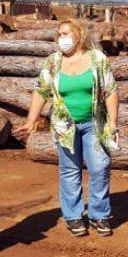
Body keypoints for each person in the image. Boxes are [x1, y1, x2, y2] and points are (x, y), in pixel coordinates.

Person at [13, 18, 119, 237]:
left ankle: (99, 214)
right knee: (70, 170)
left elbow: (110, 90)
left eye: (66, 34)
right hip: (64, 126)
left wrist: (113, 123)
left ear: (79, 35)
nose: (61, 38)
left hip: (95, 124)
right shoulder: (53, 62)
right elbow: (41, 90)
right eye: (59, 34)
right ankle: (73, 215)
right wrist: (31, 120)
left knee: (100, 167)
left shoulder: (97, 59)